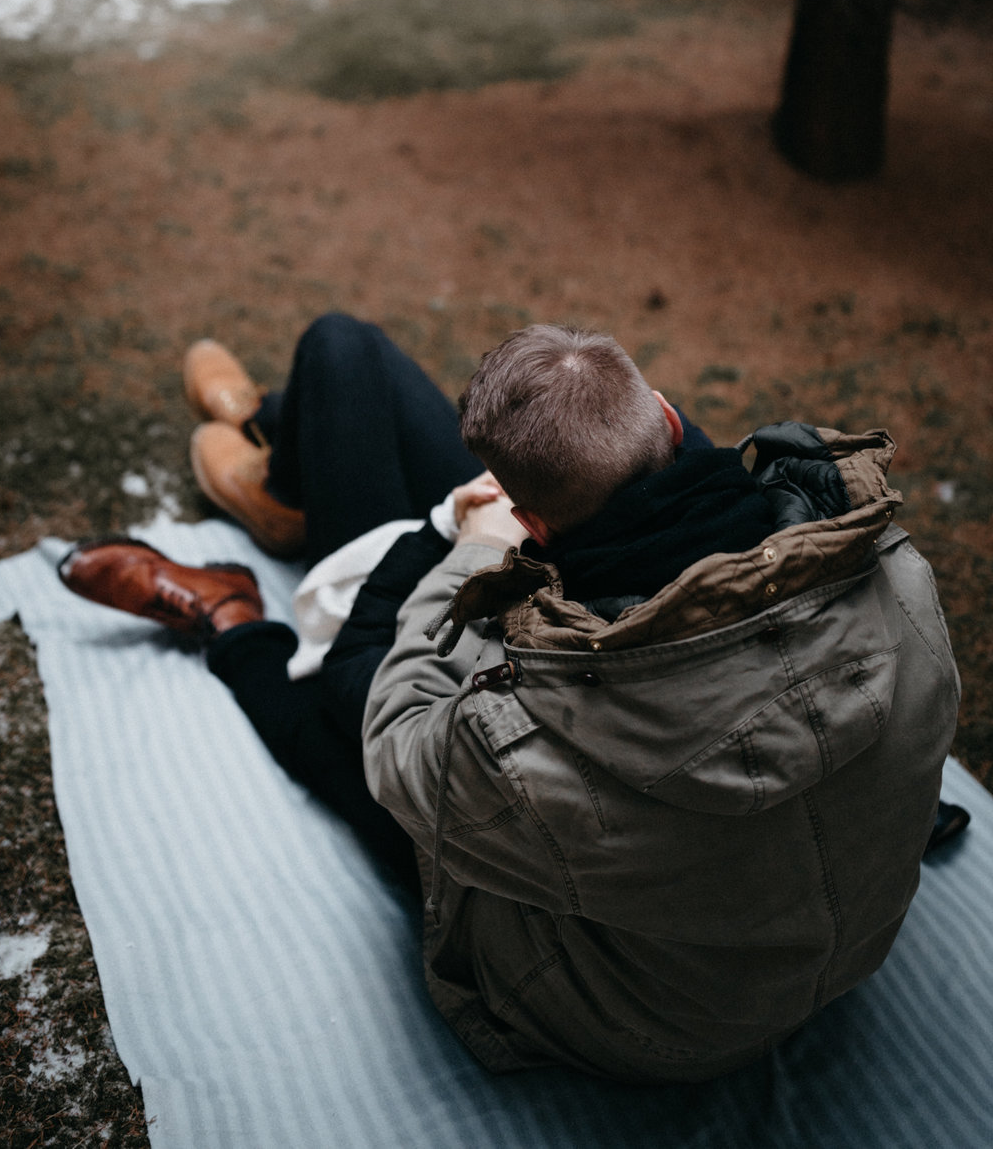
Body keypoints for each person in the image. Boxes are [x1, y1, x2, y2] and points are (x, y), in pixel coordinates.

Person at [58, 314, 965, 1084]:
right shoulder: (893, 566)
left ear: (529, 528)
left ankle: (232, 619)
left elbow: (385, 715)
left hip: (627, 1017)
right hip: (821, 941)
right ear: (669, 415)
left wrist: (458, 538)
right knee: (350, 356)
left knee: (367, 758)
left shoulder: (525, 752)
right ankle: (272, 451)